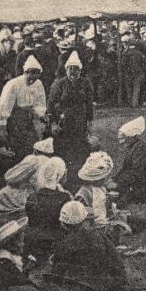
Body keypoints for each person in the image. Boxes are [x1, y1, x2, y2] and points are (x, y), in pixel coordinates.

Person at [51, 200, 127, 291]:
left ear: (63, 224)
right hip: (105, 289)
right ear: (84, 220)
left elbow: (56, 276)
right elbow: (118, 265)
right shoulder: (99, 238)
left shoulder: (62, 246)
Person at [47, 51, 95, 191]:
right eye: (70, 69)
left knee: (80, 148)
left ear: (80, 70)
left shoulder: (85, 83)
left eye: (76, 70)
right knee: (64, 148)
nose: (73, 73)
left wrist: (90, 121)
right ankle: (63, 178)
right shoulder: (60, 83)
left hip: (80, 119)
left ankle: (78, 177)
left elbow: (89, 102)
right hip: (64, 120)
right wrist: (53, 122)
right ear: (66, 69)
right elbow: (51, 103)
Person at [0, 55, 47, 161]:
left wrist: (41, 115)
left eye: (37, 73)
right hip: (13, 116)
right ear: (25, 72)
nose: (34, 76)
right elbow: (5, 105)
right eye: (31, 72)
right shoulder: (14, 84)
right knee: (15, 144)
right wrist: (2, 126)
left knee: (32, 142)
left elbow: (39, 103)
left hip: (26, 117)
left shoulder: (38, 84)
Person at [75, 151, 130, 244]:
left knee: (130, 221)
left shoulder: (101, 188)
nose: (105, 180)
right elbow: (82, 215)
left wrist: (109, 201)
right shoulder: (83, 193)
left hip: (105, 220)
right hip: (93, 226)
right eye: (102, 178)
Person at [24, 157, 72, 262]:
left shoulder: (32, 196)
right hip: (53, 241)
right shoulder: (64, 198)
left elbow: (30, 220)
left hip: (32, 239)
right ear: (59, 176)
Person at [114, 116, 146, 204]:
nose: (120, 142)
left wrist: (118, 183)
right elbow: (126, 169)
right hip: (137, 181)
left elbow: (137, 172)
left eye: (122, 138)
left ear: (131, 136)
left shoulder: (141, 148)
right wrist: (114, 179)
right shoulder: (132, 147)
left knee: (119, 201)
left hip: (145, 184)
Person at [121, 37, 146, 109]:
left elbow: (123, 63)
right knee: (136, 87)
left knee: (129, 87)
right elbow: (144, 62)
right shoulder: (139, 53)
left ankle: (130, 102)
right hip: (138, 72)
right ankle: (134, 103)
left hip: (128, 72)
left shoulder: (126, 53)